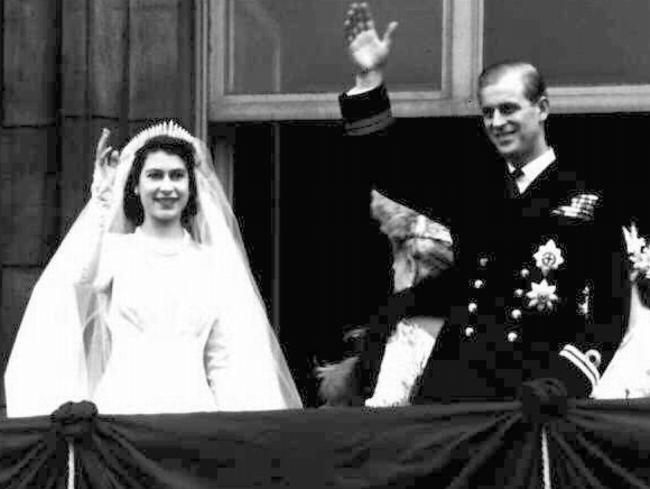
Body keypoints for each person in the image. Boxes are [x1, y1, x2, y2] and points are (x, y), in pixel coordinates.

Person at [337, 3, 626, 403]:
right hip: (453, 388)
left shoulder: (588, 199)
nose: (496, 122)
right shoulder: (476, 188)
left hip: (532, 394)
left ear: (541, 108)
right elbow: (388, 170)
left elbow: (608, 314)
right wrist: (370, 77)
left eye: (508, 109)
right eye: (487, 112)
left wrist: (563, 384)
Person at [5, 122, 303, 417]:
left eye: (177, 176)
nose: (166, 187)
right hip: (121, 419)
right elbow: (71, 281)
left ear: (191, 185)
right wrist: (102, 198)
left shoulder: (214, 265)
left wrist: (230, 429)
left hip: (193, 418)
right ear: (135, 185)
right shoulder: (114, 252)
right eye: (154, 175)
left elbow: (224, 358)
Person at [317, 190, 453, 406]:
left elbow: (386, 408)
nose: (392, 266)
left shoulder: (404, 324)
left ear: (410, 263)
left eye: (396, 256)